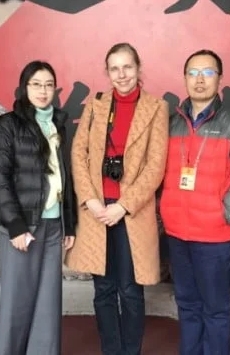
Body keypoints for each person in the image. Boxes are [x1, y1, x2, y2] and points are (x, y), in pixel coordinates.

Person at [66, 43, 169, 355]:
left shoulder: (156, 108)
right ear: (107, 73)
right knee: (103, 290)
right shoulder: (96, 106)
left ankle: (130, 351)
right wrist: (91, 201)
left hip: (131, 213)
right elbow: (78, 153)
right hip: (97, 213)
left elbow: (155, 165)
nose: (122, 74)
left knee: (130, 290)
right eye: (115, 68)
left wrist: (123, 205)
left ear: (138, 69)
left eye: (127, 67)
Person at [159, 49, 230, 355]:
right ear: (184, 78)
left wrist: (227, 211)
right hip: (178, 232)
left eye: (207, 73)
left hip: (215, 235)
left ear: (219, 78)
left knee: (215, 308)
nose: (199, 80)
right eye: (193, 73)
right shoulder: (172, 124)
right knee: (187, 305)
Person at [0, 61, 78, 355]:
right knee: (18, 300)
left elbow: (64, 175)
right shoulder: (7, 125)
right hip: (23, 226)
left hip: (54, 227)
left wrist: (69, 223)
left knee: (48, 302)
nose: (43, 91)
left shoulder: (59, 124)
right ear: (24, 87)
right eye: (36, 84)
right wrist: (15, 225)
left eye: (49, 84)